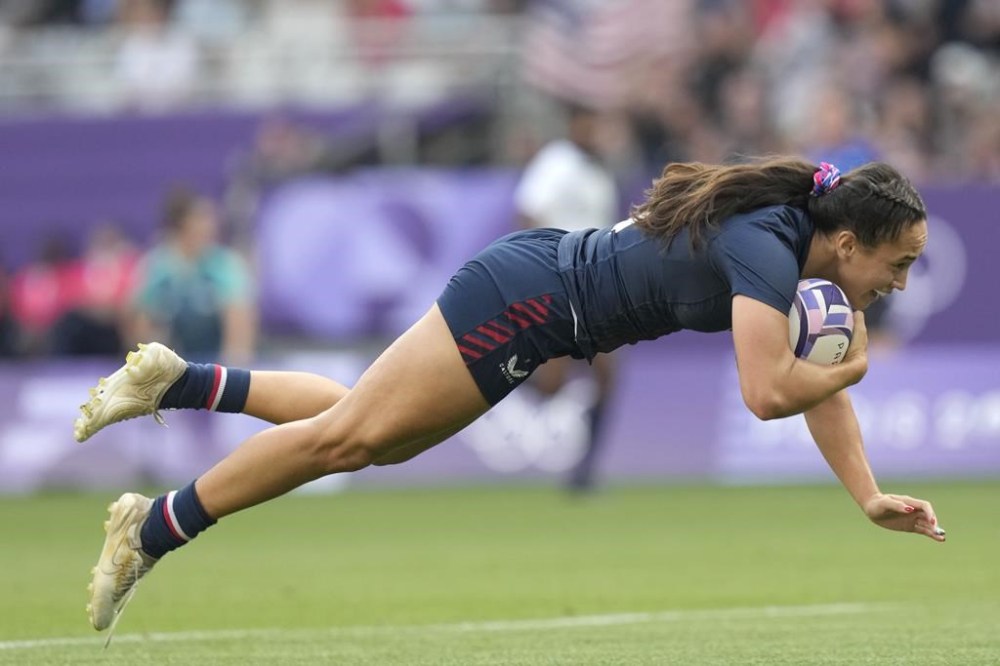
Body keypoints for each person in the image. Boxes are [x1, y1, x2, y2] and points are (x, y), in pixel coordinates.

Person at [76, 157, 946, 641]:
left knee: (368, 429)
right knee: (347, 440)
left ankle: (177, 381)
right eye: (898, 263)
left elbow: (804, 382)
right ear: (846, 240)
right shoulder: (769, 246)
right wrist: (851, 368)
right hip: (530, 303)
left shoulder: (796, 255)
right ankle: (147, 532)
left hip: (537, 291)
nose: (900, 284)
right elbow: (769, 392)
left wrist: (867, 494)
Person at [513, 100, 621, 492]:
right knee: (551, 386)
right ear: (576, 125)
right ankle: (495, 371)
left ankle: (585, 471)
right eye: (591, 124)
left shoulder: (600, 172)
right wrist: (539, 262)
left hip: (595, 287)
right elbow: (527, 211)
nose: (597, 133)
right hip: (559, 282)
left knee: (608, 374)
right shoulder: (556, 161)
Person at [129, 188, 257, 365]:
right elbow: (140, 323)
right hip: (176, 363)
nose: (210, 225)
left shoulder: (225, 265)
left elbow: (239, 322)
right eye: (201, 218)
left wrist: (232, 372)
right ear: (181, 224)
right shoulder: (157, 265)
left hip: (216, 363)